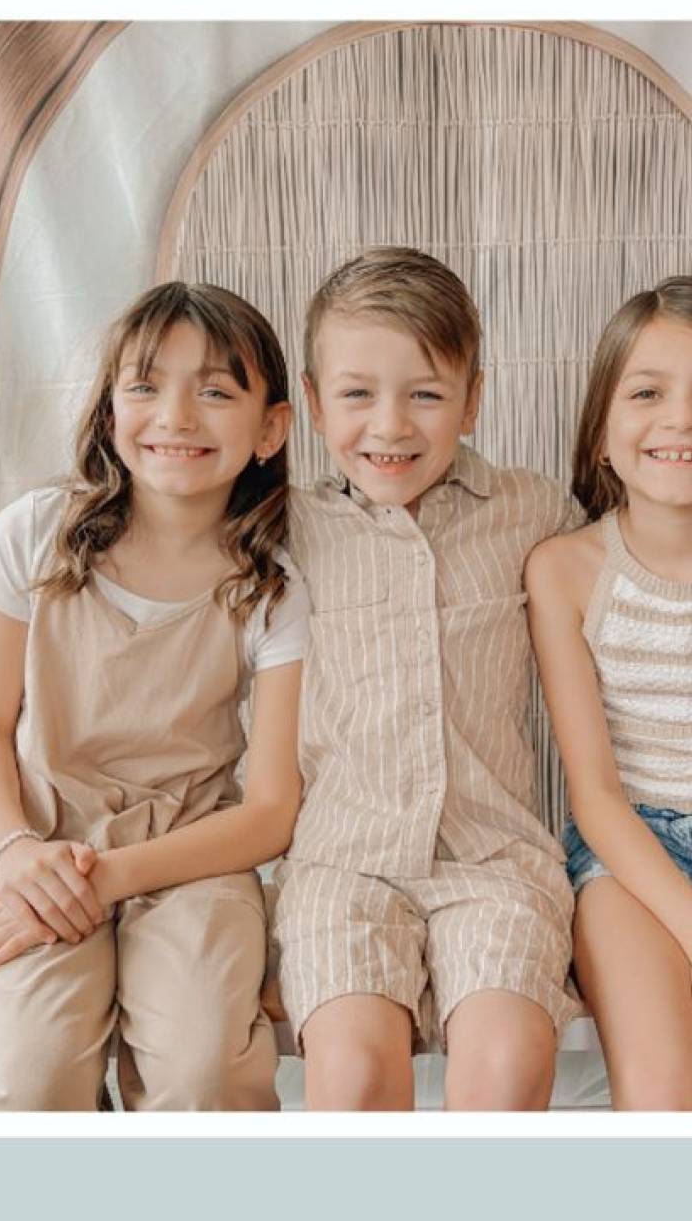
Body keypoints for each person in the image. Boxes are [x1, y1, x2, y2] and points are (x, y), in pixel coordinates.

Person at [0, 282, 305, 1111]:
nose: (176, 415)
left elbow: (271, 810)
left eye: (215, 390)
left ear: (270, 429)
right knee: (34, 1077)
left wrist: (108, 878)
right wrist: (16, 854)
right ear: (110, 411)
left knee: (203, 1069)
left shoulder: (276, 587)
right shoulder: (32, 535)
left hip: (191, 860)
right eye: (145, 385)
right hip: (37, 846)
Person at [274, 247, 579, 1110]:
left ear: (474, 398)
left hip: (494, 857)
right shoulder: (285, 529)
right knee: (355, 1073)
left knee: (511, 1061)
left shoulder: (535, 512)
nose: (391, 426)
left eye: (427, 394)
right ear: (313, 398)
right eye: (357, 394)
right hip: (342, 862)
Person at [526, 277, 692, 1110]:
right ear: (600, 427)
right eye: (648, 392)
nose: (679, 421)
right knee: (664, 1095)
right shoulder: (566, 571)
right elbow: (594, 794)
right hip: (629, 854)